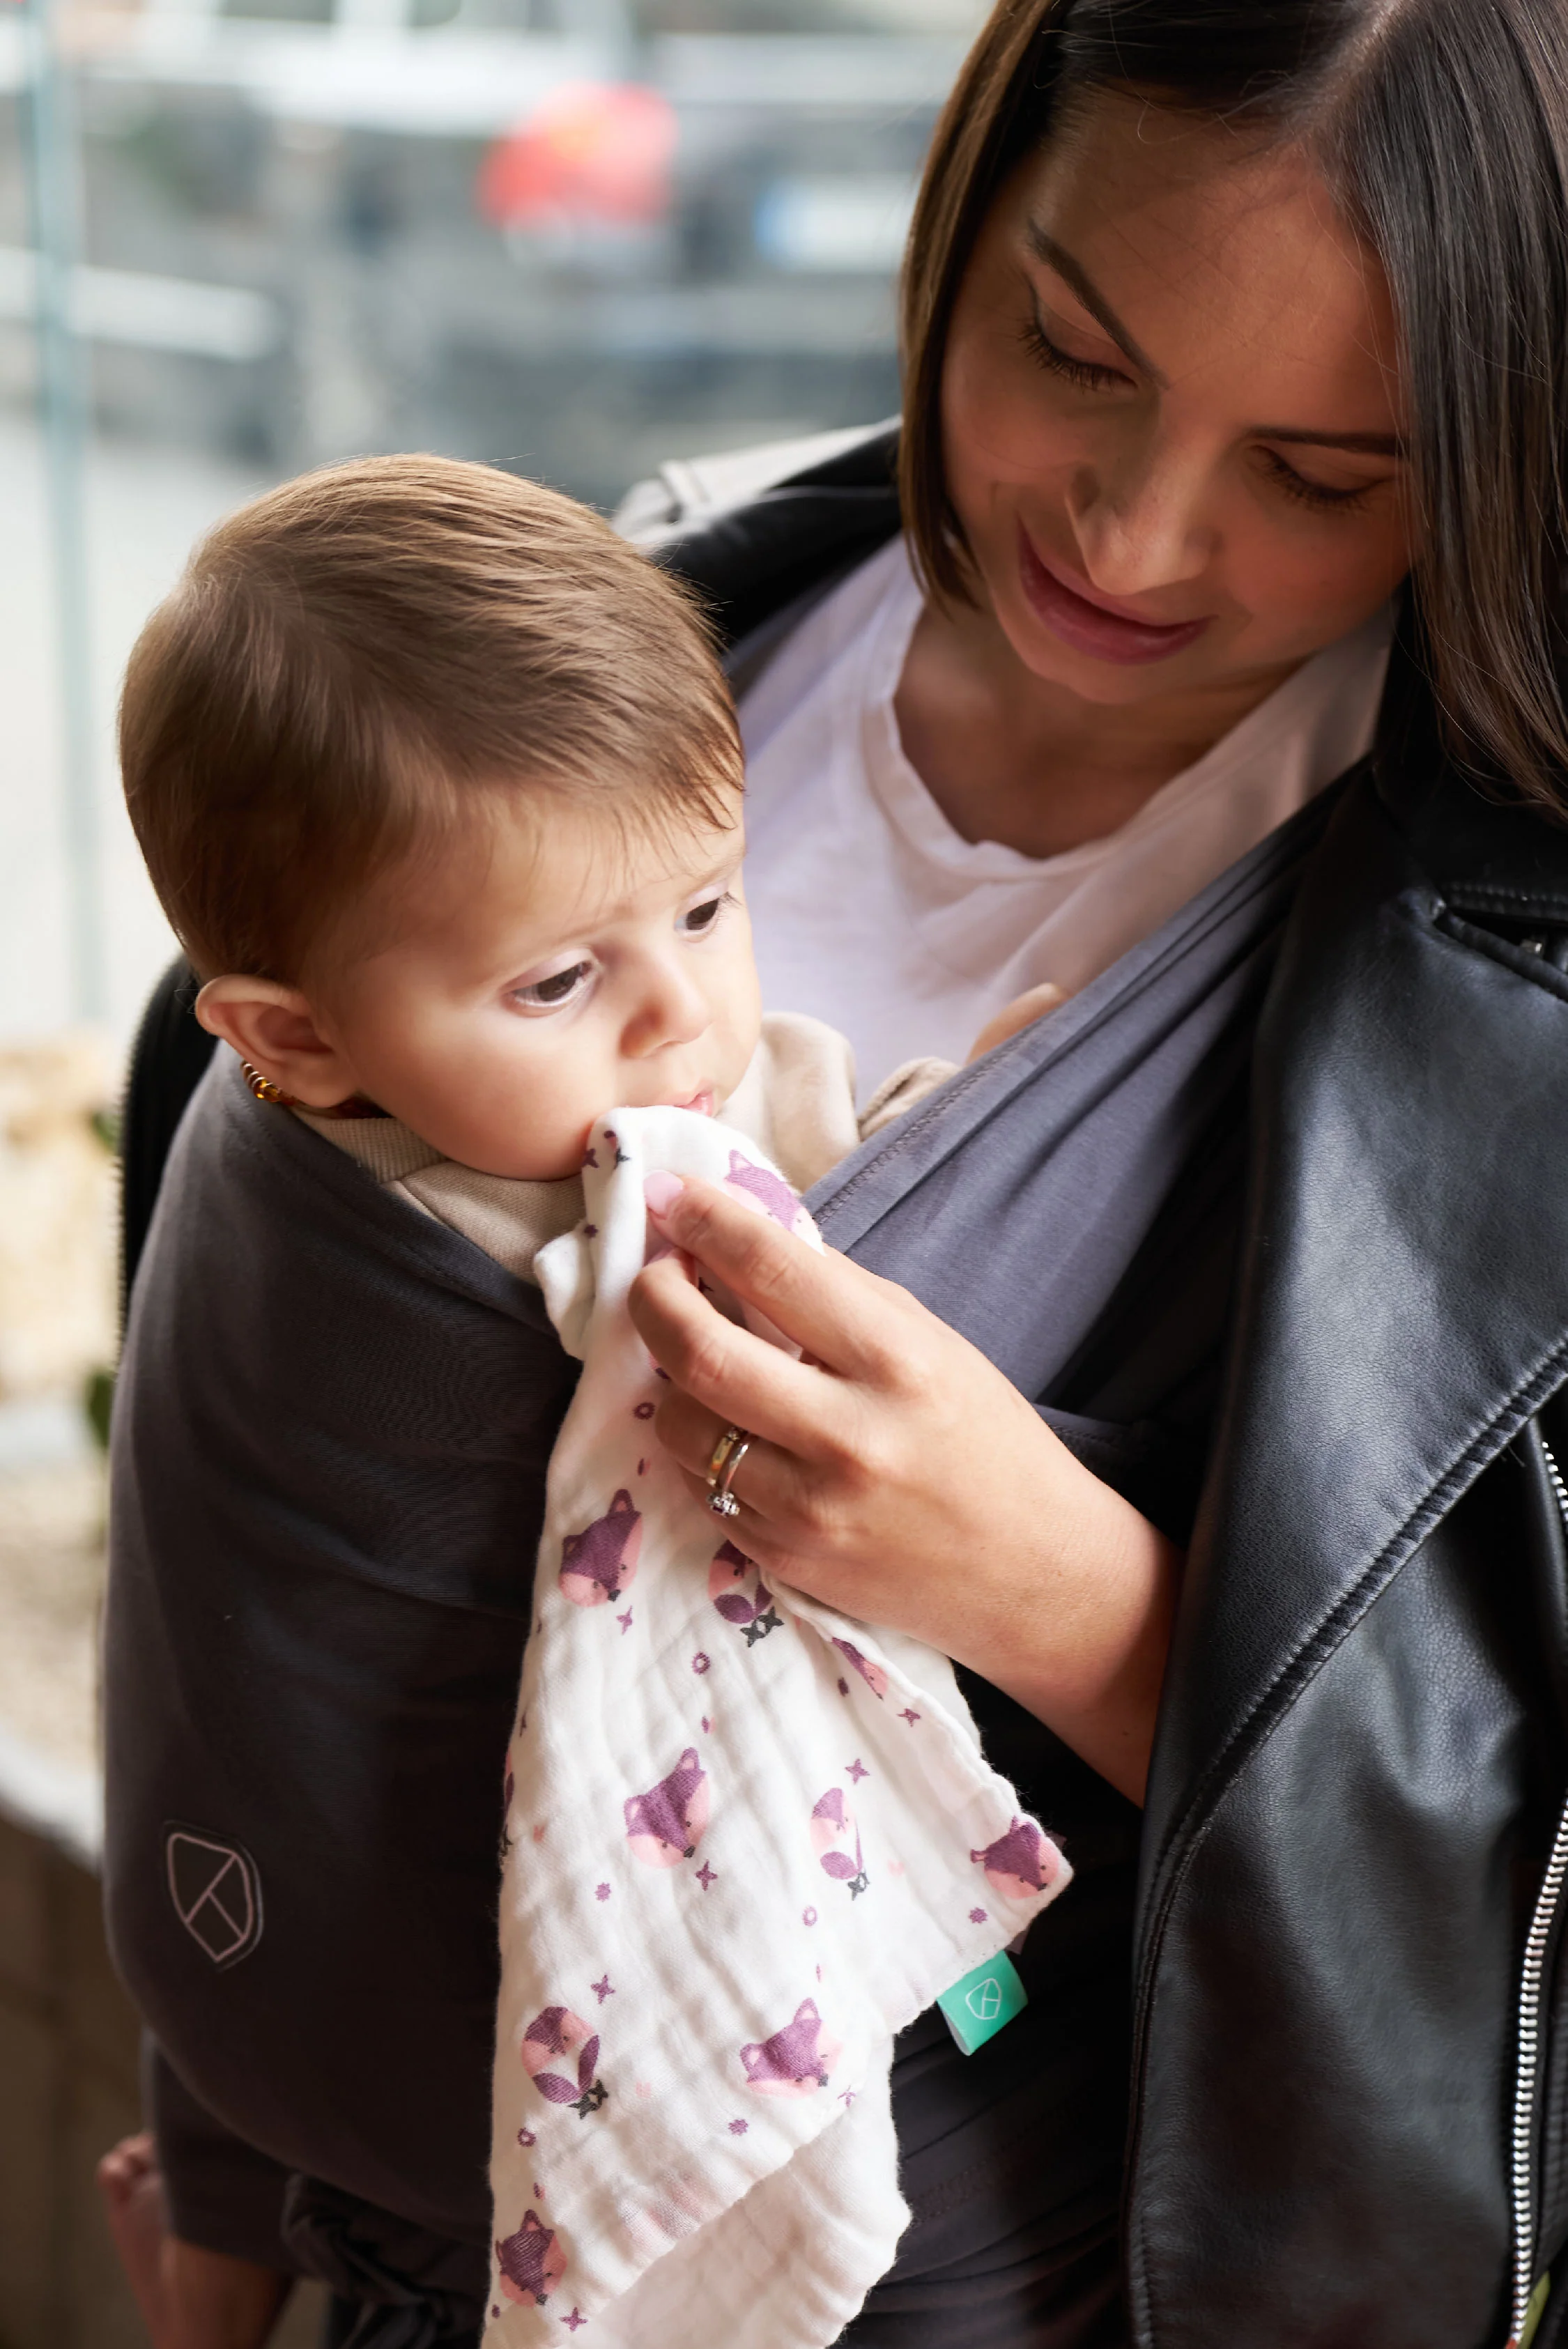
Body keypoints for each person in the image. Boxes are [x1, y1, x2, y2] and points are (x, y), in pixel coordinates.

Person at [105, 2, 1568, 2345]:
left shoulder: (1514, 999)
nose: (1132, 533)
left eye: (1319, 471)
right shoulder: (623, 633)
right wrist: (237, 2134)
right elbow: (237, 1527)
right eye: (1070, 353)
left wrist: (1083, 1602)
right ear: (969, 208)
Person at [97, 452, 1043, 2349]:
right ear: (289, 1038)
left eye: (706, 905)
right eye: (557, 980)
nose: (677, 1016)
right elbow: (849, 1345)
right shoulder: (548, 1238)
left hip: (240, 2008)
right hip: (456, 2104)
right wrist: (992, 1134)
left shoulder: (293, 1109)